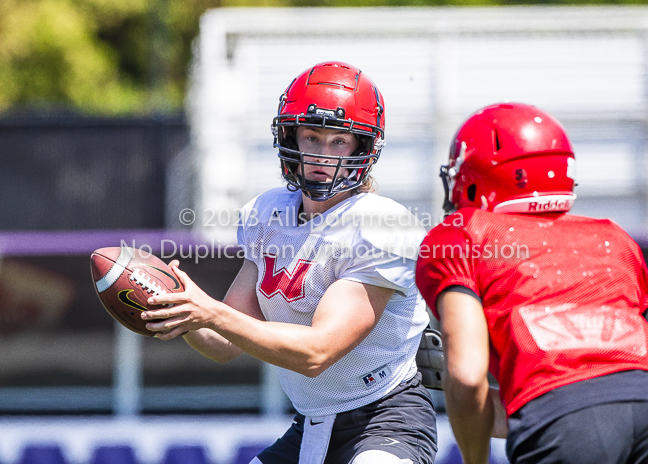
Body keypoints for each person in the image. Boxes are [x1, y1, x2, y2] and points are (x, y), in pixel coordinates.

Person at [142, 61, 437, 464]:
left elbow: (317, 353)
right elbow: (224, 343)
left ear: (364, 149)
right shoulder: (267, 214)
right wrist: (183, 310)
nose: (322, 154)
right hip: (311, 424)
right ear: (290, 138)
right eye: (312, 136)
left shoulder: (379, 226)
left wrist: (209, 311)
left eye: (339, 141)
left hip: (384, 420)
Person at [415, 102, 648, 464]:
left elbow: (467, 377)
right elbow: (603, 393)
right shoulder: (615, 239)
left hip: (563, 422)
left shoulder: (463, 234)